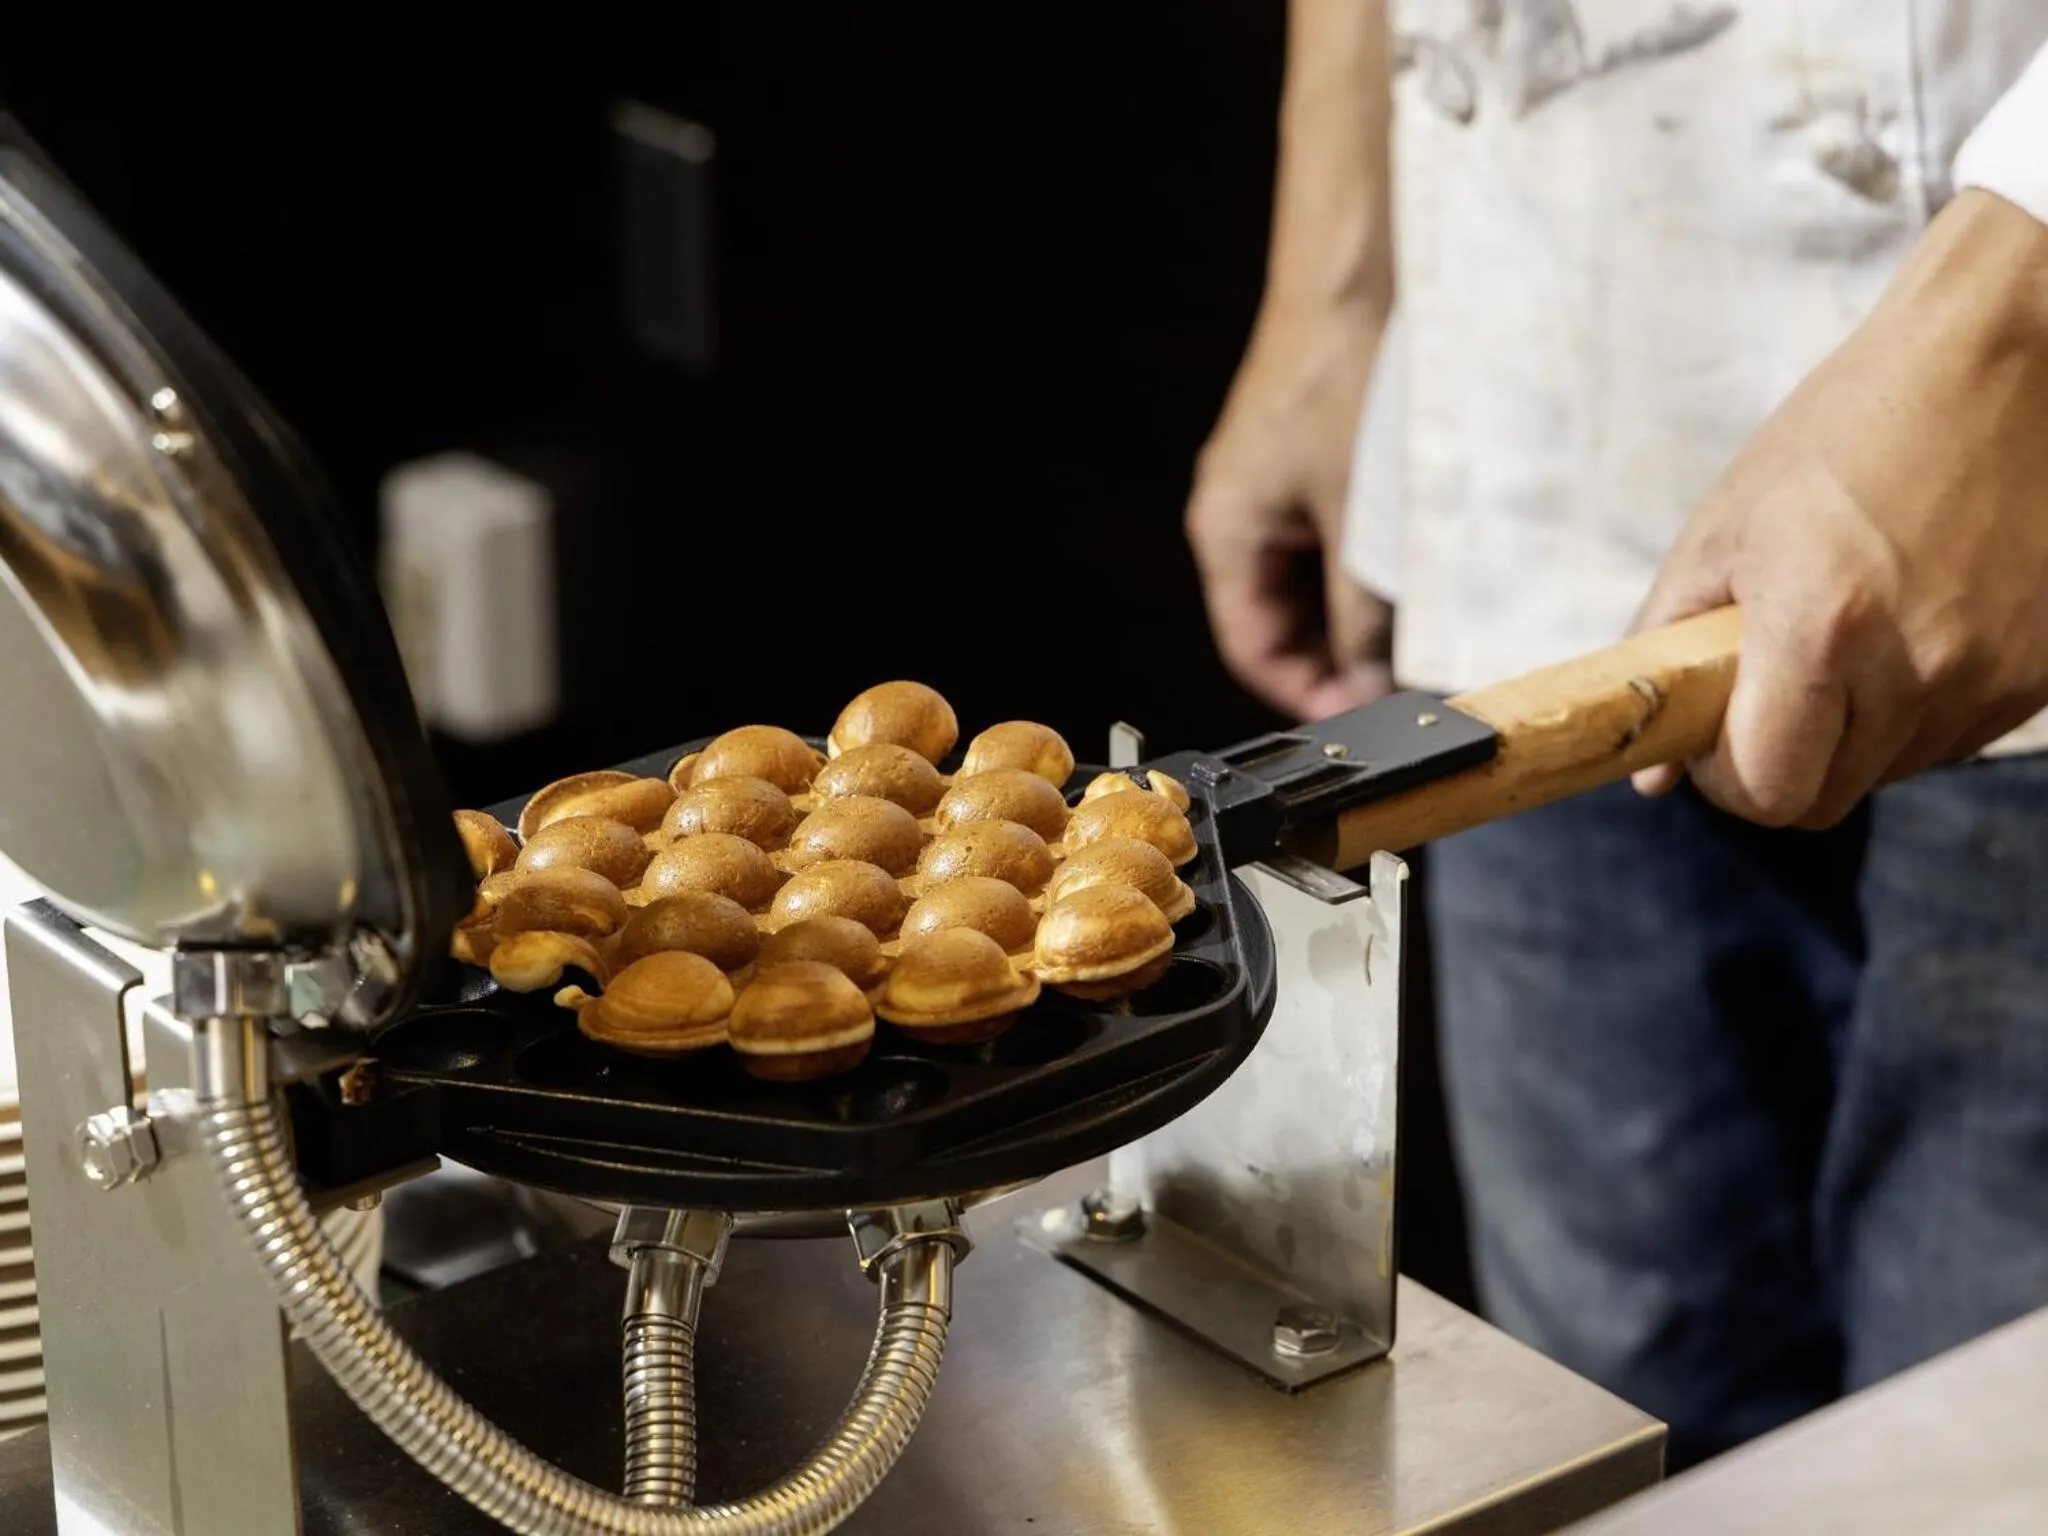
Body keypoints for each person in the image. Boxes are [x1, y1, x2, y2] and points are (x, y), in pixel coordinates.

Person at [1187, 0, 2048, 1469]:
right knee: (1615, 1431)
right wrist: (1338, 266)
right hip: (1535, 417)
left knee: (1973, 1462)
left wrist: (2020, 319)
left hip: (1989, 429)